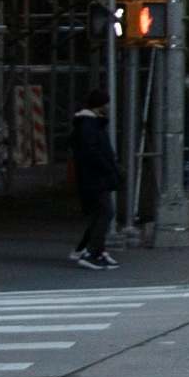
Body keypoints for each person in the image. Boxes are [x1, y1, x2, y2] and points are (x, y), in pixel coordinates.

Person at [69, 89, 122, 270]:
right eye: (106, 103)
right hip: (95, 177)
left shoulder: (90, 124)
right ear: (100, 105)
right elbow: (92, 153)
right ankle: (92, 252)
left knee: (100, 213)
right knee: (105, 212)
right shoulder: (88, 126)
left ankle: (90, 249)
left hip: (95, 177)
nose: (109, 106)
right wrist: (109, 169)